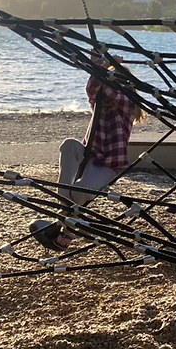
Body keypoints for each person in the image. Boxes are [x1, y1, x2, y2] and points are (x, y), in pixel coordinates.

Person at [31, 56, 143, 251]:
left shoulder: (129, 105)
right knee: (69, 145)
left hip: (109, 165)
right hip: (90, 155)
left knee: (80, 193)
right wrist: (99, 67)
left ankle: (65, 227)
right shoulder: (99, 102)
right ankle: (66, 219)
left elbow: (113, 93)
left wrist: (102, 68)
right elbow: (92, 87)